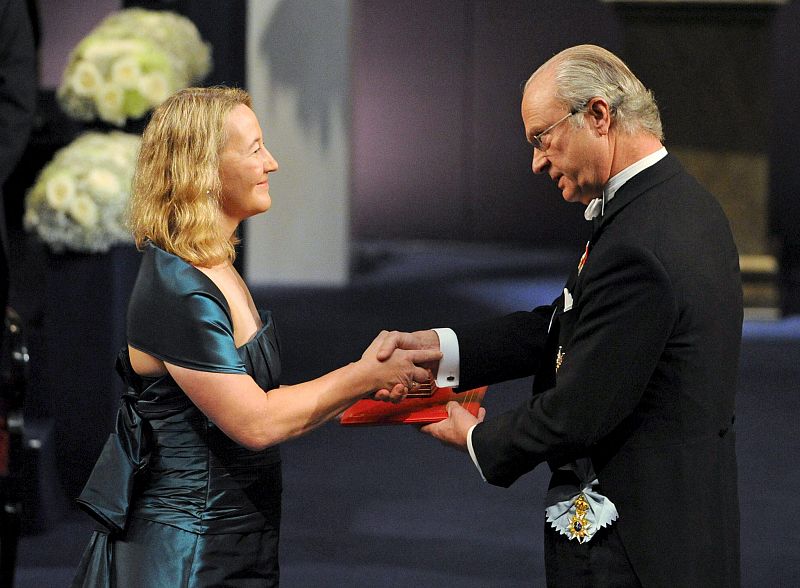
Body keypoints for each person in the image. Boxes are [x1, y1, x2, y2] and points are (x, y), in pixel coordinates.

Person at [378, 45, 742, 587]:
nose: (536, 162)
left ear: (598, 115)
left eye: (540, 139)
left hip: (635, 548)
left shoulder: (640, 238)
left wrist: (476, 440)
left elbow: (578, 413)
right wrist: (446, 349)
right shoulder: (677, 203)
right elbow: (568, 322)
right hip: (681, 528)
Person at [70, 86, 439, 587]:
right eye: (254, 148)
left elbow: (259, 402)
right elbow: (256, 423)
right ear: (202, 168)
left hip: (235, 535)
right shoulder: (177, 287)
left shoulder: (214, 264)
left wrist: (368, 384)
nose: (272, 162)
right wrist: (361, 375)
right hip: (184, 554)